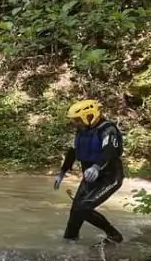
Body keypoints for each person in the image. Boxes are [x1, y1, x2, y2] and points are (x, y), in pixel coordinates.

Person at [53, 99, 125, 246]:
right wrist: (62, 173)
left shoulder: (108, 129)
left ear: (90, 115)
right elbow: (73, 151)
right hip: (90, 177)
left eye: (78, 120)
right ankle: (69, 241)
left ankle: (114, 235)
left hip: (110, 177)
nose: (75, 123)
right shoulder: (82, 131)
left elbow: (109, 151)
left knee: (84, 208)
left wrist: (96, 167)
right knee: (76, 211)